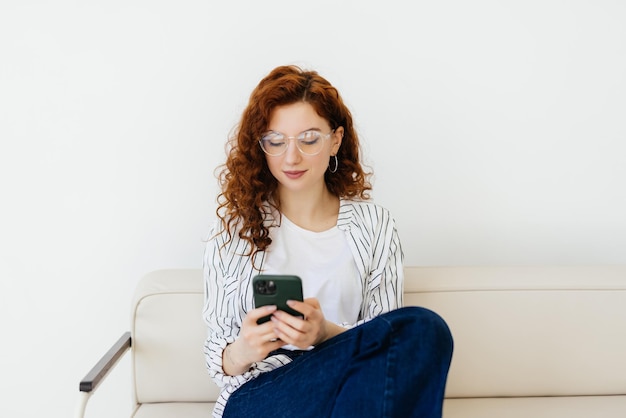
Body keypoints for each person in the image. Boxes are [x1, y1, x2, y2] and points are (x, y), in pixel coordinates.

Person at [203, 65, 453, 418]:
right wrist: (244, 349)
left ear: (335, 139)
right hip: (262, 395)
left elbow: (388, 339)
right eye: (275, 141)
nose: (291, 157)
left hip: (346, 386)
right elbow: (219, 362)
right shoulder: (235, 229)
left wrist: (324, 334)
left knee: (425, 328)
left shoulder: (375, 225)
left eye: (308, 139)